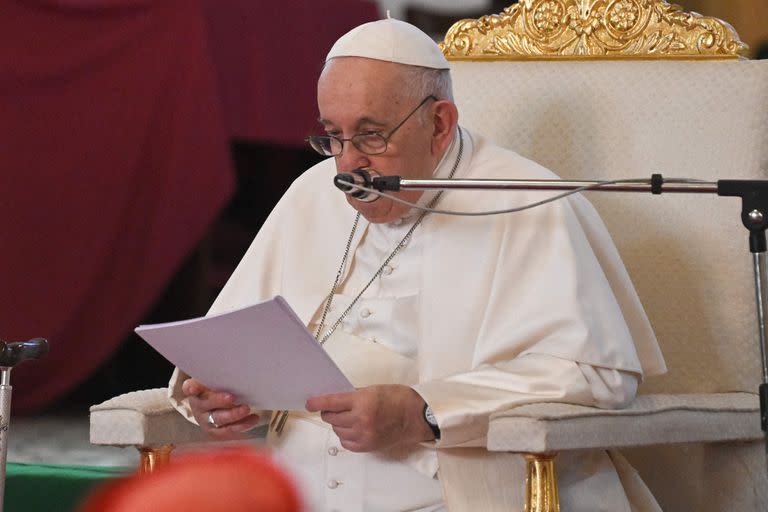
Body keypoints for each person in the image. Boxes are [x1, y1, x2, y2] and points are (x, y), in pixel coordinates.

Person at [168, 18, 667, 511]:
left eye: (370, 136)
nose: (346, 165)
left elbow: (597, 376)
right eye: (333, 137)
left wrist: (424, 411)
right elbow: (229, 340)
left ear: (439, 124)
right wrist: (215, 395)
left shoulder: (526, 201)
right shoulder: (311, 192)